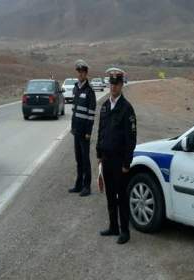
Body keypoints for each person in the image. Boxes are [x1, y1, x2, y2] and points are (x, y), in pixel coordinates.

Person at [96, 67, 137, 244]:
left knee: (122, 196)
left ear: (121, 85)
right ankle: (113, 226)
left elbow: (131, 139)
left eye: (117, 84)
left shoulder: (127, 109)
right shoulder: (105, 106)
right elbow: (101, 131)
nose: (113, 87)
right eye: (111, 84)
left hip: (120, 161)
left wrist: (127, 163)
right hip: (106, 158)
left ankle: (124, 231)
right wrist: (98, 153)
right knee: (110, 195)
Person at [68, 59, 97, 197]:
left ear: (86, 74)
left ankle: (87, 186)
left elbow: (91, 115)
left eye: (82, 72)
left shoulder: (90, 91)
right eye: (78, 72)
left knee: (85, 160)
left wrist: (88, 132)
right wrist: (72, 128)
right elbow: (74, 111)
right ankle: (78, 185)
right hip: (76, 131)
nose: (79, 74)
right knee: (78, 159)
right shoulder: (76, 88)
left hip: (85, 133)